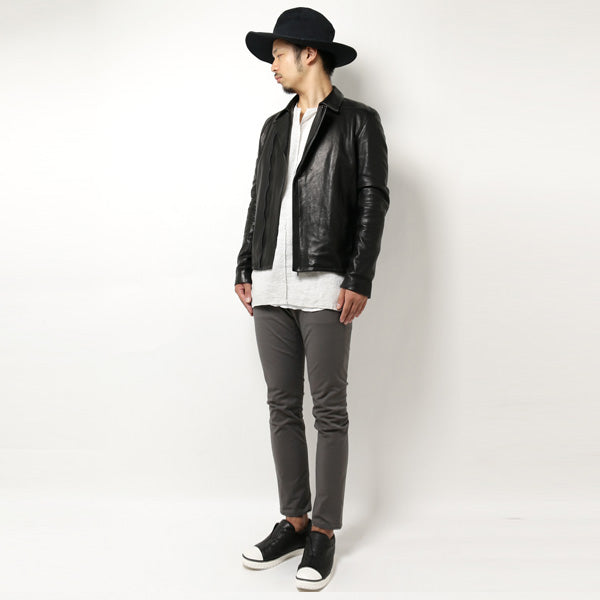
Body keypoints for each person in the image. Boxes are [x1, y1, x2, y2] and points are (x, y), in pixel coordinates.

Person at [234, 7, 389, 591]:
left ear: (309, 54)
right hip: (269, 281)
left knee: (328, 410)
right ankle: (293, 520)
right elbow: (259, 198)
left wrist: (359, 276)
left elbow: (373, 200)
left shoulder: (358, 122)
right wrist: (244, 264)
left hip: (325, 281)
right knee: (281, 405)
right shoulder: (273, 127)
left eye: (278, 54)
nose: (272, 65)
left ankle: (323, 531)